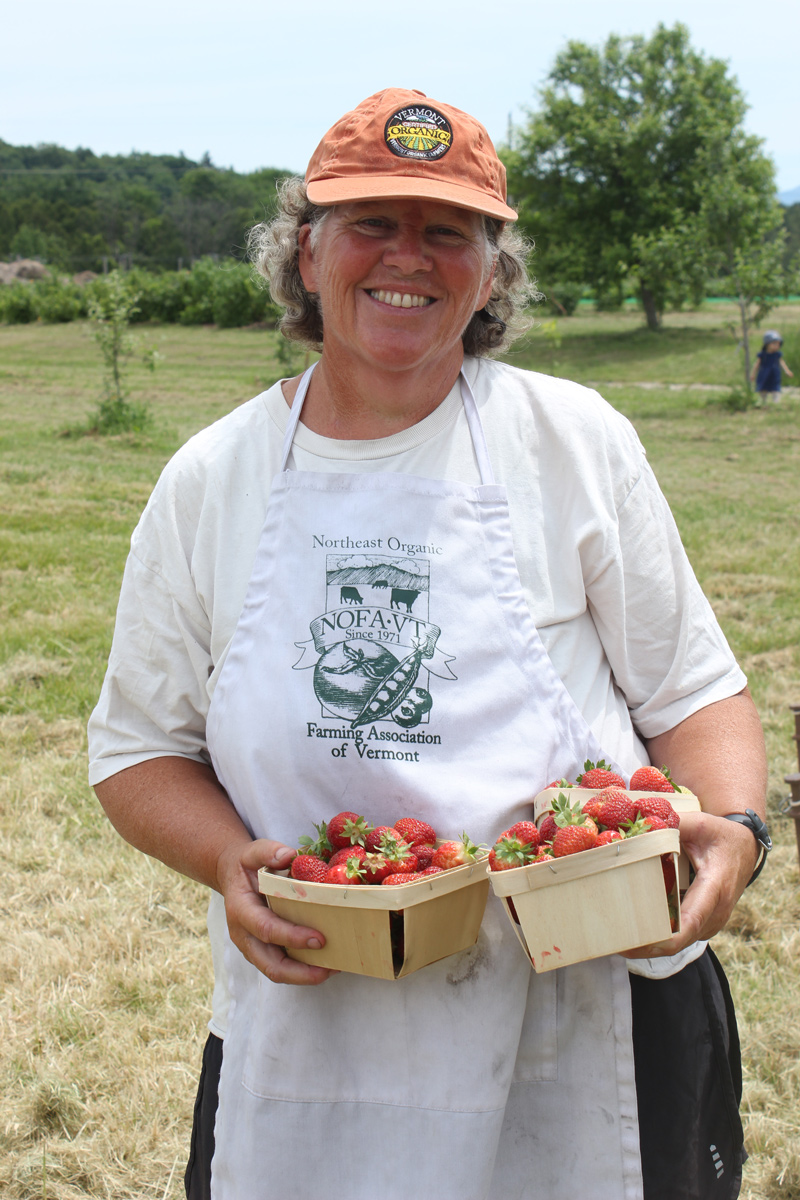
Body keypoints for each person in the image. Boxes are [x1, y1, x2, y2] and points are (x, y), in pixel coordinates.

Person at [88, 88, 768, 1200]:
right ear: (303, 255)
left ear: (491, 272)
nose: (407, 257)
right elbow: (134, 752)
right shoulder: (212, 480)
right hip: (314, 1021)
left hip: (584, 1001)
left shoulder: (569, 440)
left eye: (447, 231)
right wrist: (223, 860)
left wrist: (732, 835)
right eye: (370, 223)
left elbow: (696, 690)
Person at [751, 329, 793, 402]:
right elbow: (757, 364)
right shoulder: (763, 355)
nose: (777, 346)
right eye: (774, 343)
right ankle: (762, 402)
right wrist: (753, 374)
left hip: (774, 375)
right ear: (767, 344)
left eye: (778, 344)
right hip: (764, 375)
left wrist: (787, 371)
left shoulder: (777, 355)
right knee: (763, 389)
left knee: (776, 389)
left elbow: (781, 363)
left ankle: (776, 403)